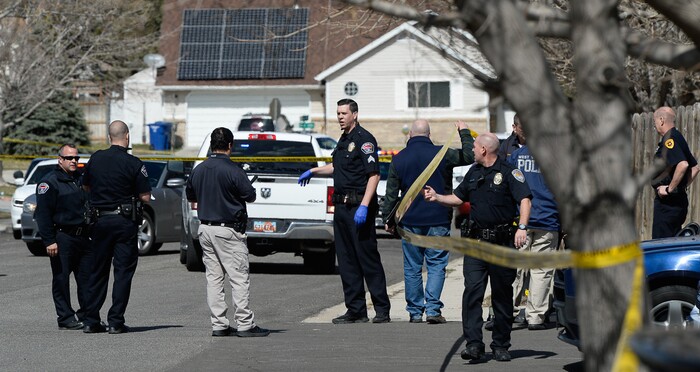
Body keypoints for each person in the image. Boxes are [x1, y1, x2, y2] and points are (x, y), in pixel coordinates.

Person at [424, 133, 532, 362]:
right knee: (472, 293)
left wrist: (522, 227)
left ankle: (501, 344)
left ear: (484, 149)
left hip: (502, 243)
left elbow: (525, 199)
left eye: (474, 146)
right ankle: (474, 344)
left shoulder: (509, 172)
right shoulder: (474, 172)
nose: (471, 150)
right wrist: (437, 197)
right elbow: (458, 197)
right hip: (476, 244)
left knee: (502, 296)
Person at [298, 98, 391, 324]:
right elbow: (337, 167)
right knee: (347, 260)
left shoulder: (364, 140)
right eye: (338, 113)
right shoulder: (344, 140)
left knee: (367, 258)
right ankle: (356, 310)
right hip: (341, 207)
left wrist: (365, 206)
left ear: (354, 114)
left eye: (343, 113)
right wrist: (314, 170)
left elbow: (374, 175)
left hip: (358, 207)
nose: (340, 117)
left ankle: (381, 309)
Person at [381, 119, 474, 324]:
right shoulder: (443, 154)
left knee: (413, 267)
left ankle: (415, 312)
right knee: (436, 265)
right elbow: (469, 155)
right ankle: (432, 309)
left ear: (410, 136)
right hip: (438, 218)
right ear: (429, 136)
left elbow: (390, 195)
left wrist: (387, 219)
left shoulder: (399, 159)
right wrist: (464, 132)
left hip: (409, 221)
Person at [185, 127, 270, 337]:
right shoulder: (233, 170)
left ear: (212, 145)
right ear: (230, 145)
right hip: (229, 230)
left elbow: (190, 196)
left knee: (214, 279)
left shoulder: (199, 169)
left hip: (205, 228)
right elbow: (250, 196)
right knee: (238, 277)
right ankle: (244, 324)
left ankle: (219, 324)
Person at [81, 120, 151, 334]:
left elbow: (85, 185)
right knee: (122, 273)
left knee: (97, 271)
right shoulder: (134, 163)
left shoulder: (96, 158)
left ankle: (91, 320)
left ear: (109, 137)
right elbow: (146, 197)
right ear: (127, 136)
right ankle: (115, 321)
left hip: (100, 221)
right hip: (123, 223)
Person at [507, 116, 561, 331]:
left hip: (521, 220)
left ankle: (508, 311)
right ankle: (535, 315)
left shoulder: (516, 157)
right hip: (548, 219)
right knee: (541, 270)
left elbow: (509, 189)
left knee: (517, 269)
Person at [35, 144, 93, 330]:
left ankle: (86, 315)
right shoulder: (49, 182)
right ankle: (65, 317)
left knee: (86, 279)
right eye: (70, 158)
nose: (74, 161)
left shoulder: (80, 179)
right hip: (63, 237)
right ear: (60, 159)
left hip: (83, 237)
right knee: (61, 279)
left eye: (76, 158)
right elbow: (43, 214)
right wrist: (49, 240)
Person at [650, 106, 699, 239]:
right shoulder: (678, 137)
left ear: (661, 120)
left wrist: (670, 189)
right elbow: (695, 168)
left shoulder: (669, 140)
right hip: (677, 203)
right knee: (673, 241)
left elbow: (683, 165)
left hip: (668, 205)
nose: (655, 125)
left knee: (661, 246)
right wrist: (680, 187)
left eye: (654, 122)